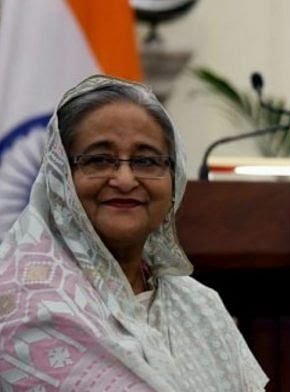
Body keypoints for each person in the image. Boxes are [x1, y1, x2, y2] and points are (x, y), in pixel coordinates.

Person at [0, 75, 268, 391]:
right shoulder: (23, 300)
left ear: (174, 180)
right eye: (99, 159)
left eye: (146, 161)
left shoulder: (199, 303)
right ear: (60, 177)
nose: (125, 179)